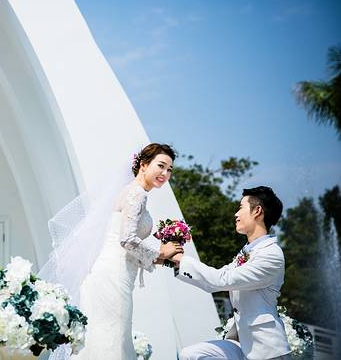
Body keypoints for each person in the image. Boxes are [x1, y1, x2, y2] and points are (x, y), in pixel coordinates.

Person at [68, 143, 183, 359]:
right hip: (114, 275)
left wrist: (163, 259)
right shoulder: (137, 194)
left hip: (114, 272)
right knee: (113, 341)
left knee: (106, 338)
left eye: (169, 170)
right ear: (143, 165)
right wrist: (161, 252)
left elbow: (126, 243)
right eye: (160, 166)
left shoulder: (132, 191)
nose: (165, 173)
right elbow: (127, 240)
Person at [171, 186, 291, 360]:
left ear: (257, 211)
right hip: (242, 343)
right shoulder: (246, 252)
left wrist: (180, 258)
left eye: (241, 207)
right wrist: (175, 260)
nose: (236, 214)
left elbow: (220, 280)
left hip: (267, 350)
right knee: (190, 355)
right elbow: (216, 277)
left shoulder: (271, 254)